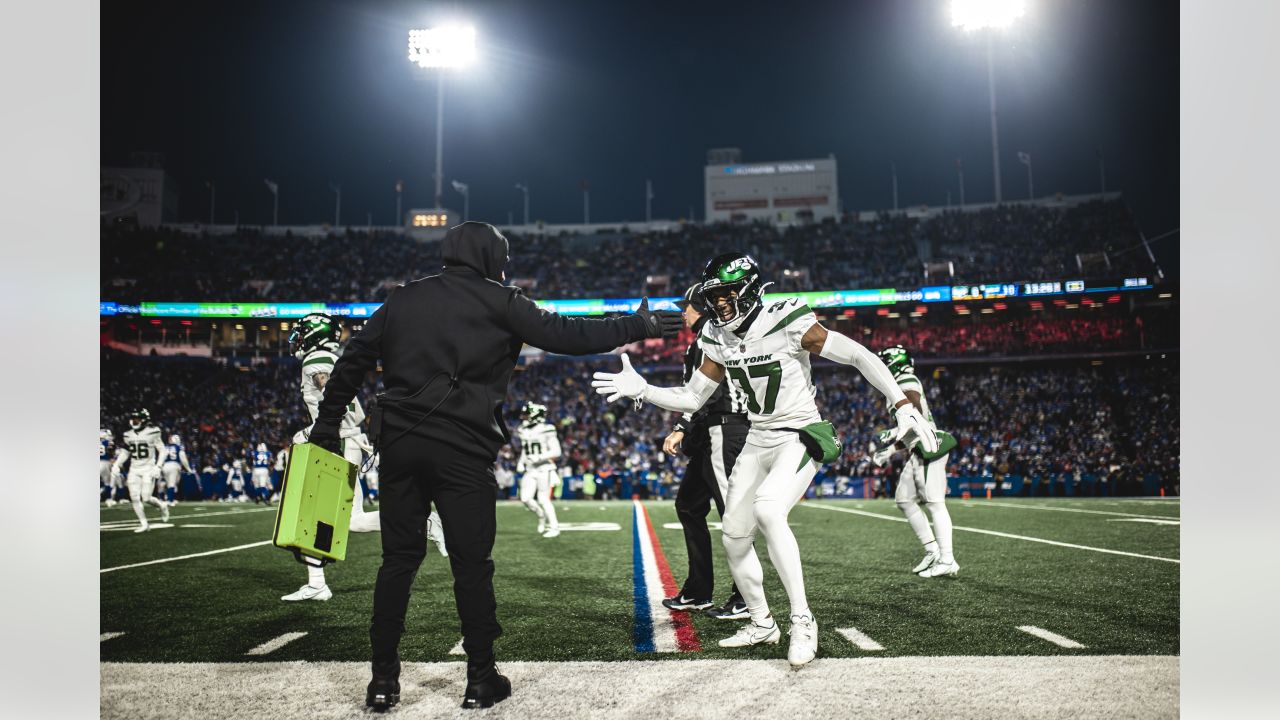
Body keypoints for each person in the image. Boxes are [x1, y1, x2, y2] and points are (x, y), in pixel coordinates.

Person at [308, 221, 680, 711]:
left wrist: (327, 426)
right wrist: (639, 326)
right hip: (462, 449)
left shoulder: (402, 298)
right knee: (471, 566)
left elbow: (352, 356)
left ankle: (382, 682)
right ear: (489, 256)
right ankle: (480, 678)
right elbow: (565, 335)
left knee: (397, 561)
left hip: (399, 446)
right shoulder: (501, 299)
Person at [593, 252, 935, 668]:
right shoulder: (717, 338)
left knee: (770, 511)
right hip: (757, 437)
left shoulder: (787, 320)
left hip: (799, 433)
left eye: (724, 295)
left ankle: (802, 620)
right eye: (712, 296)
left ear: (750, 290)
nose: (718, 305)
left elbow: (857, 354)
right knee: (734, 534)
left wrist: (899, 402)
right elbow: (692, 398)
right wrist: (643, 389)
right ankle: (761, 622)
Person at [659, 283, 750, 620]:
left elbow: (704, 393)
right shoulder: (705, 338)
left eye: (688, 306)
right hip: (711, 429)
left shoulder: (712, 337)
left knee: (733, 514)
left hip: (724, 427)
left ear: (702, 307)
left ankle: (746, 597)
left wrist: (682, 426)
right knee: (689, 505)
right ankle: (698, 591)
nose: (683, 312)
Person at [870, 345, 960, 578]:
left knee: (935, 503)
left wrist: (891, 432)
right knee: (904, 499)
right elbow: (912, 431)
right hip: (919, 448)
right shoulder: (900, 381)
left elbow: (915, 417)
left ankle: (947, 559)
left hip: (929, 449)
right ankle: (932, 550)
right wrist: (890, 451)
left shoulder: (905, 380)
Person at [113, 408, 171, 532]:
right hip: (134, 468)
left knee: (146, 497)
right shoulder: (127, 434)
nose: (134, 421)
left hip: (148, 468)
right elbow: (125, 452)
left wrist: (158, 466)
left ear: (144, 420)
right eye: (133, 418)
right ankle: (144, 524)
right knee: (134, 497)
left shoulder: (153, 432)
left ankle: (162, 505)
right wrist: (117, 464)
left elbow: (162, 450)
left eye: (137, 418)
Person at [515, 402, 562, 538]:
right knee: (525, 498)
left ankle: (554, 527)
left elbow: (556, 451)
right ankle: (541, 515)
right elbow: (526, 449)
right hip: (530, 469)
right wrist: (521, 462)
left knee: (543, 499)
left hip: (544, 468)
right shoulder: (523, 430)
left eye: (527, 414)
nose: (524, 417)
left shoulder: (547, 429)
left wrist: (540, 457)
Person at [161, 434, 193, 506]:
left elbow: (162, 457)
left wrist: (160, 466)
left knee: (169, 483)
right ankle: (170, 500)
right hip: (174, 465)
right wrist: (188, 468)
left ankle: (168, 498)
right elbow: (182, 457)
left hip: (165, 466)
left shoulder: (166, 447)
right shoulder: (179, 447)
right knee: (173, 483)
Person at [101, 428, 121, 506]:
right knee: (107, 482)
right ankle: (109, 499)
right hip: (105, 462)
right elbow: (111, 451)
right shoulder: (108, 442)